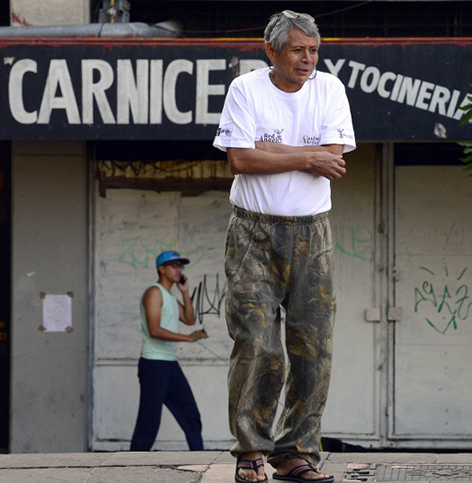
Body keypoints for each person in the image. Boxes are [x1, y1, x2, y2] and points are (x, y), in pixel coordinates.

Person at [213, 10, 356, 483]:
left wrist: (271, 152)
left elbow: (333, 162)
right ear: (270, 51)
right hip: (253, 231)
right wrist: (304, 155)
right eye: (298, 50)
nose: (308, 59)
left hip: (313, 233)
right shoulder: (246, 90)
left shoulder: (329, 89)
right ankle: (250, 450)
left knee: (313, 347)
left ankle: (297, 452)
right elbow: (239, 158)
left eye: (314, 50)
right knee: (256, 342)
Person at [130, 250, 208, 452]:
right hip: (154, 363)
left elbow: (190, 319)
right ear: (161, 269)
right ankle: (131, 466)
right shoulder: (154, 292)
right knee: (149, 422)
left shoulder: (171, 297)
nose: (178, 270)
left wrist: (184, 292)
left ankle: (199, 461)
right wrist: (188, 338)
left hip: (169, 363)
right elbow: (154, 330)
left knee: (191, 416)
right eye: (174, 266)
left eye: (180, 266)